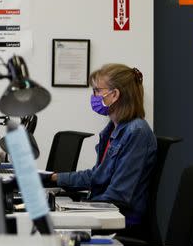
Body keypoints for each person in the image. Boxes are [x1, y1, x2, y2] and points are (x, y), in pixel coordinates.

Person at [50, 64, 157, 226]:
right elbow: (98, 175)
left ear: (114, 95)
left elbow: (118, 195)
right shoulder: (112, 130)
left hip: (121, 218)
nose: (94, 96)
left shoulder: (137, 132)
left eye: (97, 91)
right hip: (105, 209)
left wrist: (76, 209)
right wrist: (55, 178)